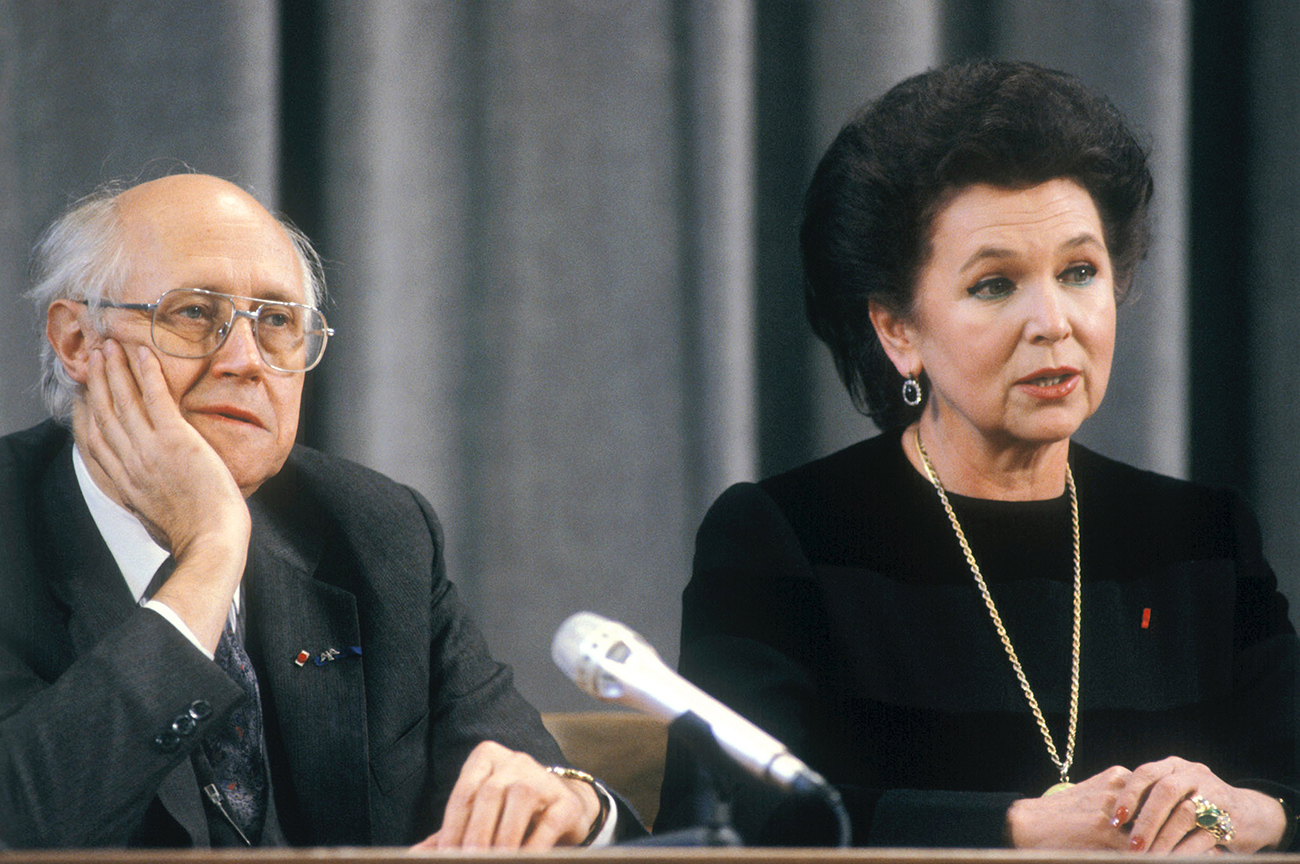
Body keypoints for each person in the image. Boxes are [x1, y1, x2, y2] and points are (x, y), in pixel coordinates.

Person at [655, 60, 1300, 852]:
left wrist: (1257, 811)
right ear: (898, 330)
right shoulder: (784, 537)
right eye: (995, 285)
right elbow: (721, 818)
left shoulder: (1202, 538)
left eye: (1079, 272)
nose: (1053, 322)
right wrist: (1015, 829)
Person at [0, 173, 639, 849]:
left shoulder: (374, 533)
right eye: (192, 313)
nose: (244, 360)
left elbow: (530, 783)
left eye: (276, 321)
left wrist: (576, 807)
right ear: (75, 343)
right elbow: (22, 823)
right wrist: (212, 550)